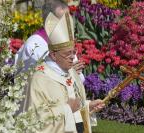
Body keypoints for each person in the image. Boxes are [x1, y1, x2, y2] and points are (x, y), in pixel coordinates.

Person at [22, 0, 105, 133]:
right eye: (68, 53)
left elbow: (76, 108)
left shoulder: (71, 72)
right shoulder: (39, 79)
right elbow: (36, 120)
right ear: (54, 55)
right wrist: (67, 110)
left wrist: (88, 106)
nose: (73, 57)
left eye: (74, 52)